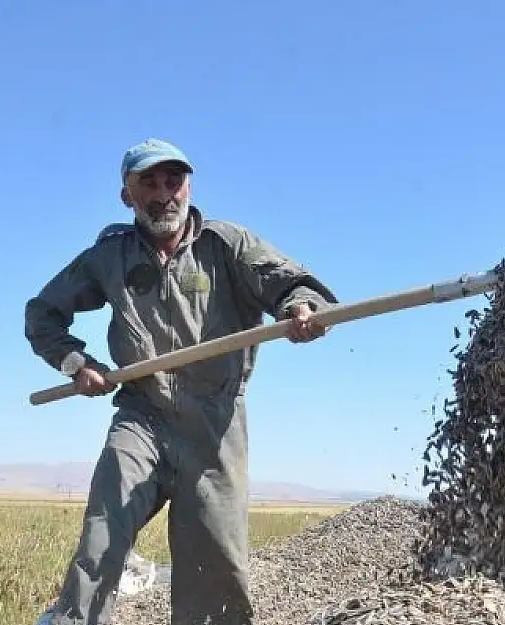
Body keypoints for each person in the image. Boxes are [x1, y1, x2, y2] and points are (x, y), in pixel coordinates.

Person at [24, 138, 338, 625]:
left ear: (189, 187)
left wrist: (302, 309)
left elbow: (290, 283)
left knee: (213, 562)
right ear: (126, 195)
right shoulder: (110, 257)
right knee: (102, 535)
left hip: (215, 421)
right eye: (148, 182)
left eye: (174, 181)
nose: (163, 193)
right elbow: (43, 315)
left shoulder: (226, 243)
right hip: (142, 415)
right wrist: (76, 363)